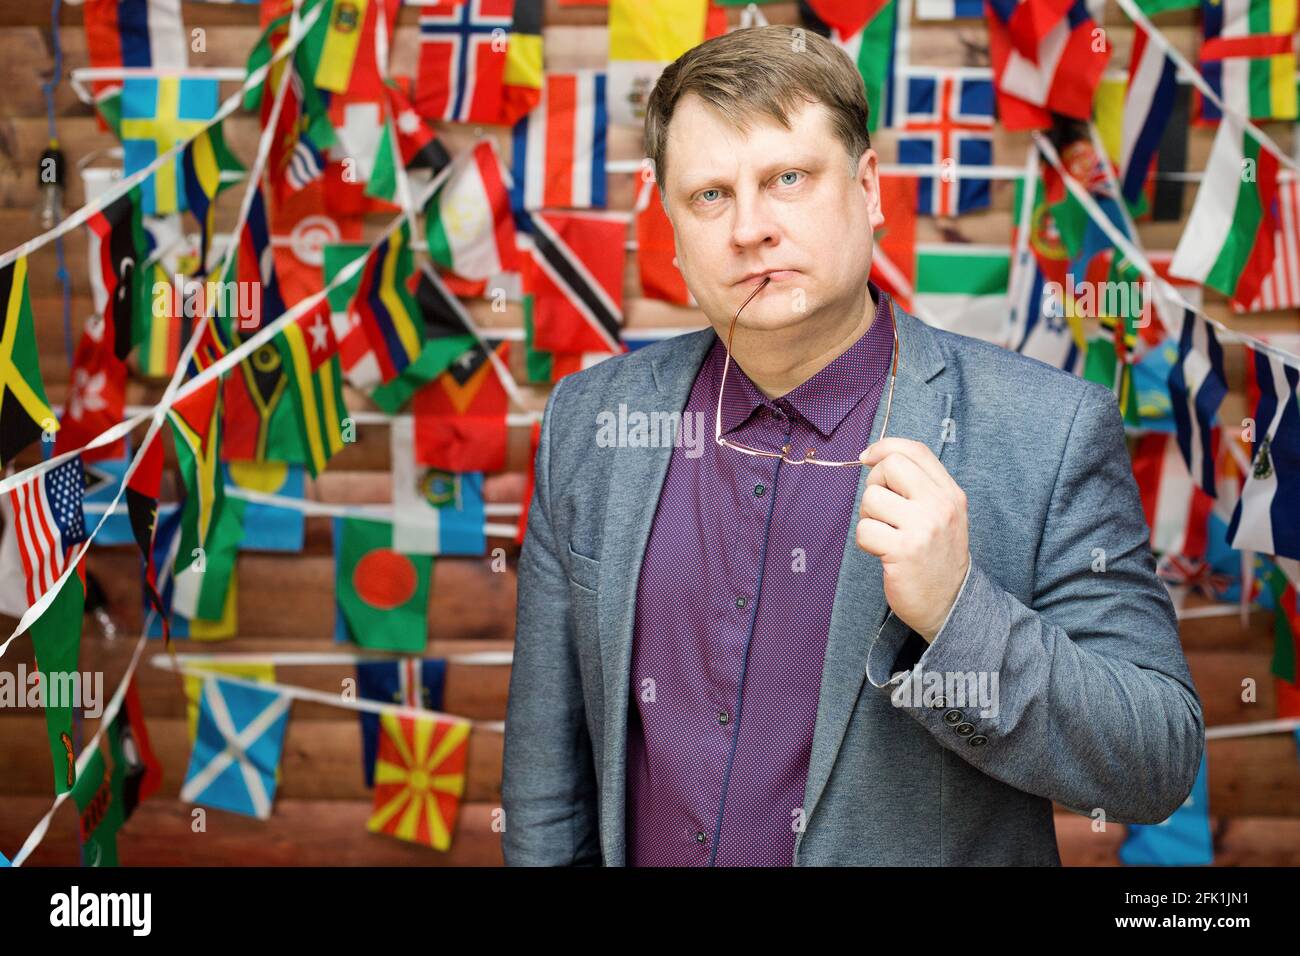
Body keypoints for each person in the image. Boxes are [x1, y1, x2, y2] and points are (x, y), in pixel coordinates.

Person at [501, 24, 1204, 866]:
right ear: (674, 228)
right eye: (710, 196)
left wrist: (958, 618)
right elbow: (547, 780)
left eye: (787, 179)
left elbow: (1157, 759)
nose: (750, 228)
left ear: (868, 188)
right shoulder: (590, 426)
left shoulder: (1046, 434)